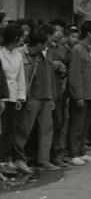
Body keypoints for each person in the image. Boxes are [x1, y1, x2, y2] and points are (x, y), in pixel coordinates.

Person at [13, 28, 59, 172]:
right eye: (44, 44)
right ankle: (18, 159)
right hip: (30, 96)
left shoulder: (44, 55)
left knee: (47, 128)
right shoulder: (21, 53)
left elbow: (49, 77)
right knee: (24, 129)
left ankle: (43, 160)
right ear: (39, 44)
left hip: (44, 96)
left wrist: (50, 97)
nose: (46, 46)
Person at [67, 21, 91, 166]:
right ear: (89, 33)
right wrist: (78, 95)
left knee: (86, 123)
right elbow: (75, 75)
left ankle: (81, 151)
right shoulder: (77, 49)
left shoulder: (89, 50)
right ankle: (73, 153)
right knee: (77, 124)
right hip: (82, 94)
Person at [0, 24, 26, 175]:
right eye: (20, 37)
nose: (22, 39)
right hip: (2, 96)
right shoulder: (0, 53)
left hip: (13, 95)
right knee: (1, 130)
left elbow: (20, 77)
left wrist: (20, 98)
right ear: (14, 38)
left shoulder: (18, 55)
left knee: (10, 130)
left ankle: (6, 160)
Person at [46, 19, 70, 166]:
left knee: (60, 123)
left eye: (61, 31)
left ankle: (57, 153)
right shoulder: (45, 49)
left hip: (60, 91)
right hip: (48, 92)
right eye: (56, 31)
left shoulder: (62, 49)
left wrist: (63, 70)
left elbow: (66, 68)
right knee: (51, 125)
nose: (59, 34)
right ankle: (48, 155)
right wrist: (51, 65)